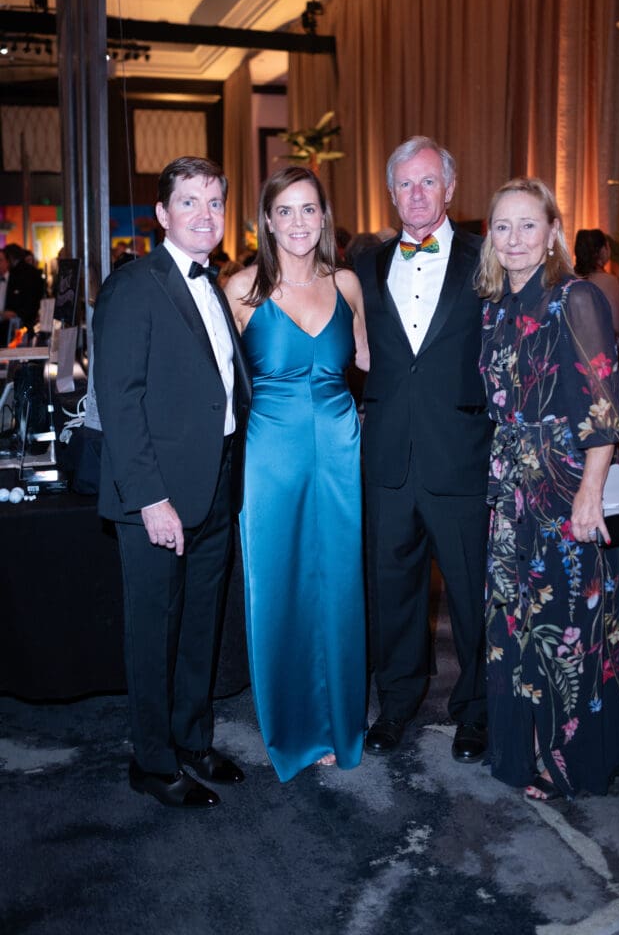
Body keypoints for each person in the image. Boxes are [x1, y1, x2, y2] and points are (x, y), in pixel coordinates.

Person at [476, 176, 619, 801]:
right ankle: (523, 745)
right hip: (511, 494)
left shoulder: (575, 297)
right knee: (514, 623)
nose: (514, 239)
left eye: (528, 225)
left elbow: (607, 406)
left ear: (553, 232)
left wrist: (590, 491)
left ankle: (568, 762)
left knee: (568, 628)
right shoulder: (497, 305)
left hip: (564, 489)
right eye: (502, 226)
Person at [93, 156, 252, 809]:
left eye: (214, 201)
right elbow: (119, 400)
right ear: (161, 214)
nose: (204, 214)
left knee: (199, 628)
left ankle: (191, 740)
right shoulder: (135, 284)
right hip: (158, 495)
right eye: (189, 202)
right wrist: (151, 499)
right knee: (155, 630)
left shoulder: (211, 285)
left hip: (214, 485)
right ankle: (152, 761)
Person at [225, 165, 368, 782]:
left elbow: (370, 362)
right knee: (278, 586)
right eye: (285, 210)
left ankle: (340, 724)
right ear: (266, 219)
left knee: (339, 585)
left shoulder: (349, 283)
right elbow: (215, 384)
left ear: (324, 217)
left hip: (340, 450)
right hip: (271, 456)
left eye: (309, 209)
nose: (298, 222)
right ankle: (292, 730)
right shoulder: (241, 290)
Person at [355, 135, 493, 761]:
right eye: (405, 184)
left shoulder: (484, 258)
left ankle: (476, 712)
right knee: (394, 593)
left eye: (428, 182)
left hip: (461, 454)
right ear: (391, 193)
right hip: (386, 458)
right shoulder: (363, 267)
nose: (416, 194)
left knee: (472, 596)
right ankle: (398, 703)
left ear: (450, 188)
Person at [574, 228, 619, 338]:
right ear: (603, 250)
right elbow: (618, 327)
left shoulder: (566, 278)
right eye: (608, 246)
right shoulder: (609, 281)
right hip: (599, 348)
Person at [3, 243, 45, 330]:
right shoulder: (33, 271)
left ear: (10, 258)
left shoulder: (15, 274)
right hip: (30, 318)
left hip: (19, 321)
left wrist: (17, 313)